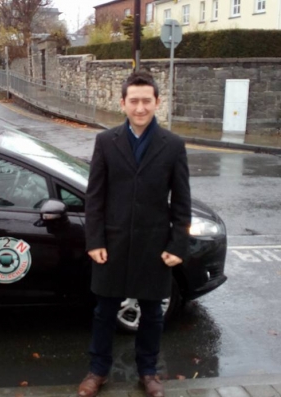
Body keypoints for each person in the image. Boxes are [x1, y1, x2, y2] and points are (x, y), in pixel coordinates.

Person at [78, 72, 191, 397]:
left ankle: (148, 371)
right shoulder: (106, 141)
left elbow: (182, 201)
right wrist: (95, 240)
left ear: (157, 102)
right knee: (104, 312)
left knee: (153, 314)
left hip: (154, 246)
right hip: (111, 245)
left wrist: (178, 244)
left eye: (146, 101)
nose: (140, 108)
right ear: (123, 103)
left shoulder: (173, 145)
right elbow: (95, 197)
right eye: (134, 101)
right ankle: (97, 371)